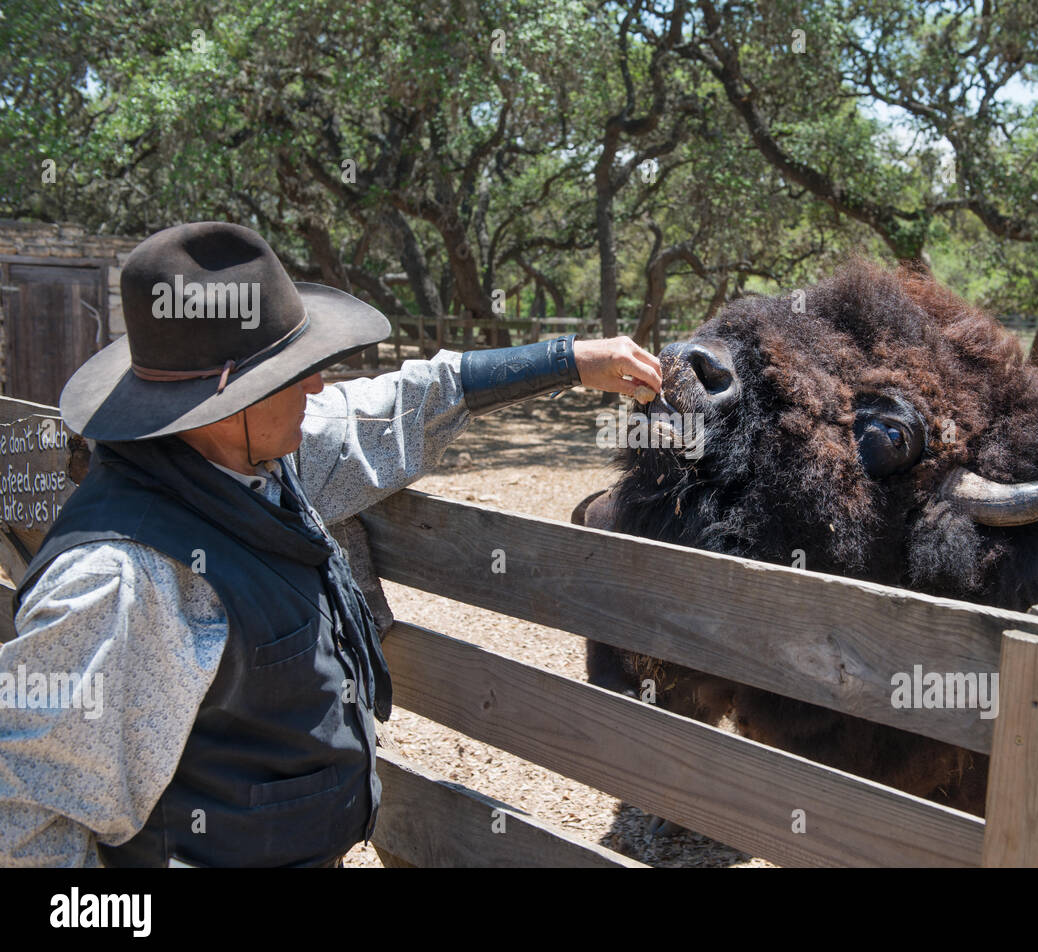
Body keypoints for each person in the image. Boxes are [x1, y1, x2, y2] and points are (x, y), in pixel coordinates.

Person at [0, 221, 660, 866]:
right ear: (227, 397)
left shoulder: (248, 458)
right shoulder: (118, 579)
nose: (317, 386)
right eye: (295, 371)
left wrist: (566, 359)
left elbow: (396, 406)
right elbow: (26, 819)